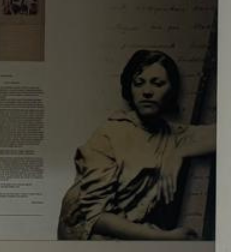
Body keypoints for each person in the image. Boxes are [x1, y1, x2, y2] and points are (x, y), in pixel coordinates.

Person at [58, 49, 214, 240]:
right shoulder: (108, 135)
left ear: (171, 90)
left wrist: (178, 152)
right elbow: (95, 218)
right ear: (129, 89)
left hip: (134, 236)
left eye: (158, 83)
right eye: (139, 83)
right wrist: (165, 238)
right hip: (90, 240)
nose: (147, 91)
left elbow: (229, 133)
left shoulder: (172, 135)